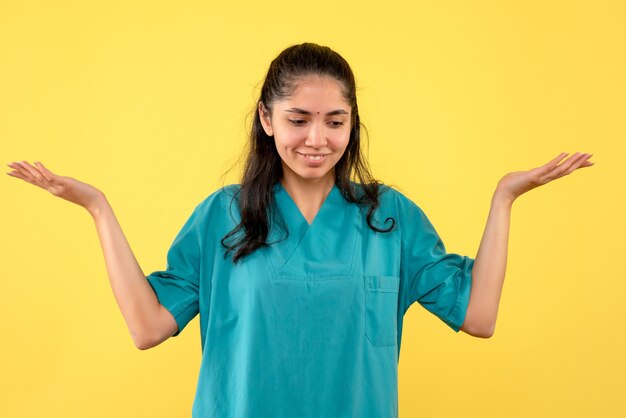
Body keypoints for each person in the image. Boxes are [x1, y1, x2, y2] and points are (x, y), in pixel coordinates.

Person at [6, 42, 593, 418]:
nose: (317, 139)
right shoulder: (223, 217)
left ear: (352, 125)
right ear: (266, 120)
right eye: (298, 119)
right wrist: (98, 208)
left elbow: (479, 316)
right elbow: (148, 326)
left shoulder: (390, 219)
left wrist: (504, 197)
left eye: (335, 121)